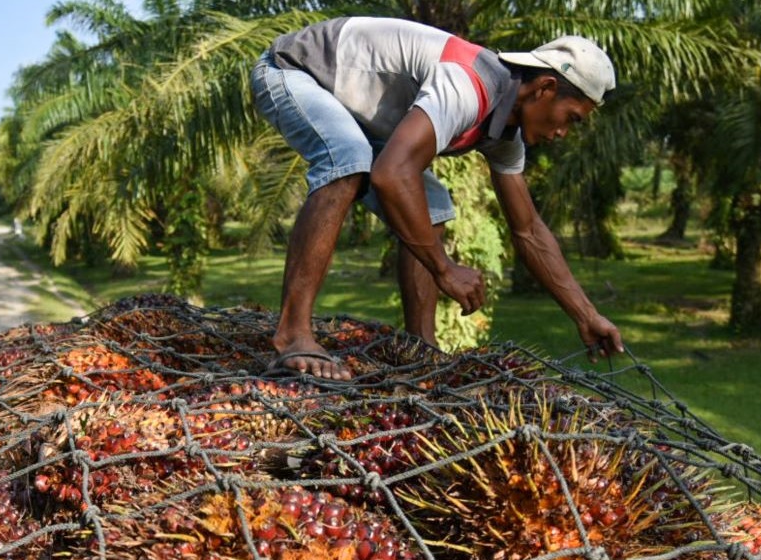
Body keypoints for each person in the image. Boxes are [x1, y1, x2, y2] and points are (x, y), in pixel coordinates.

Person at [251, 16, 624, 380]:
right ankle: (294, 333)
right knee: (347, 160)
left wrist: (586, 315)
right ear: (544, 88)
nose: (562, 133)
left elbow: (528, 230)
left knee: (432, 206)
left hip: (354, 111)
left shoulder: (505, 133)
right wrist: (444, 269)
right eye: (571, 118)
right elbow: (391, 175)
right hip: (292, 70)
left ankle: (421, 349)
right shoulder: (467, 85)